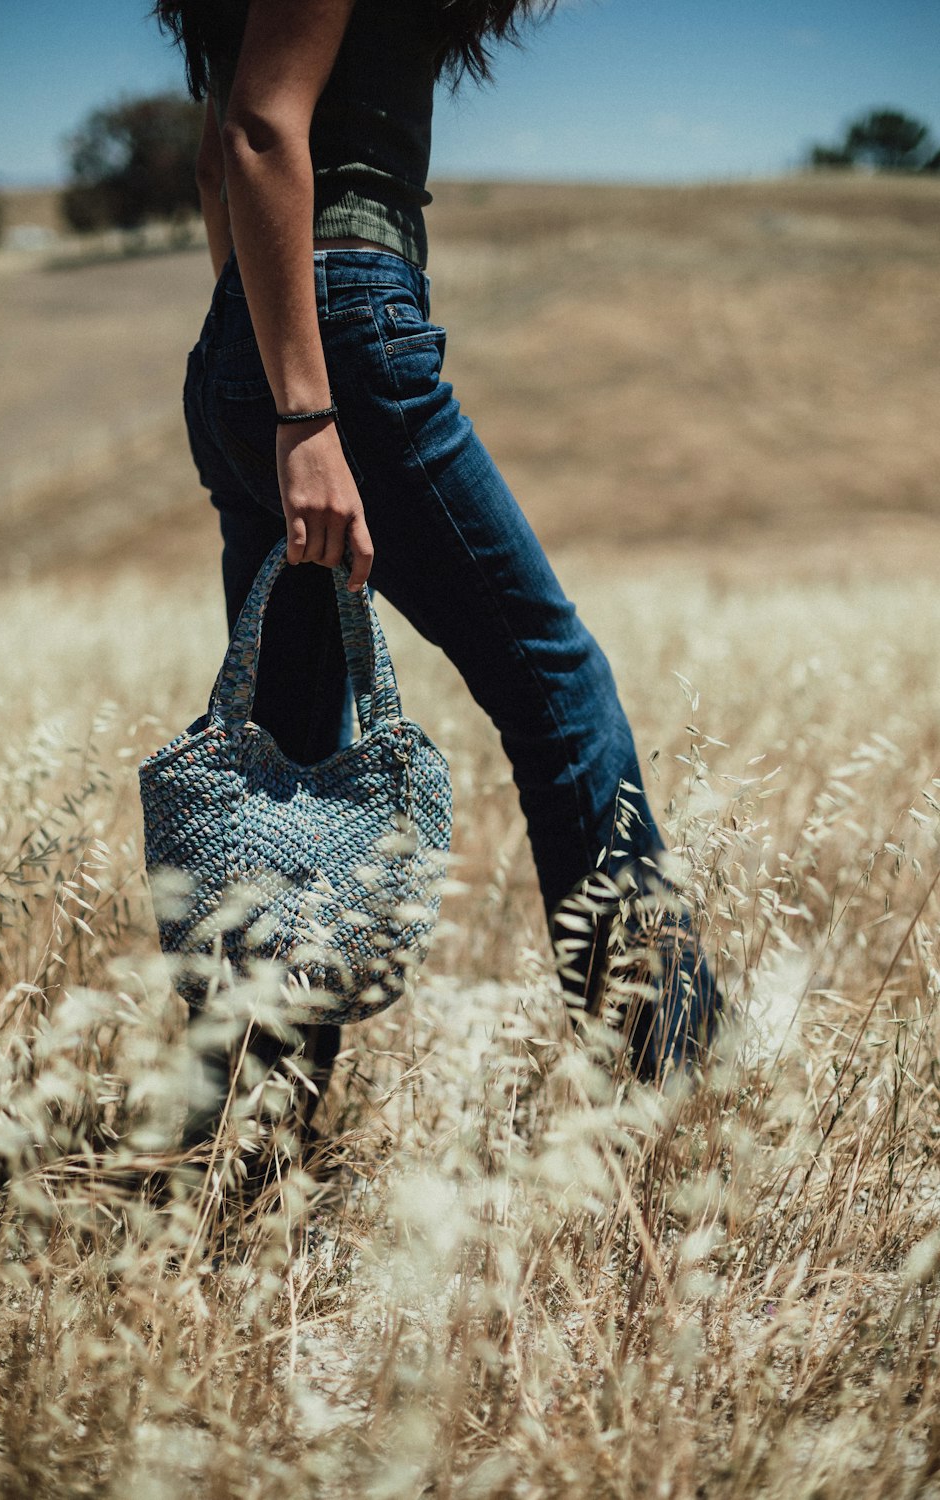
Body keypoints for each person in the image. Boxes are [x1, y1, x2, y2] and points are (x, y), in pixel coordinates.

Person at [154, 0, 722, 1144]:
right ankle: (673, 1105)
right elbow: (264, 130)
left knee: (291, 769)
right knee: (557, 687)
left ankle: (243, 1155)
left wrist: (260, 356)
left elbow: (221, 158)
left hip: (263, 338)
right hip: (340, 336)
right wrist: (305, 410)